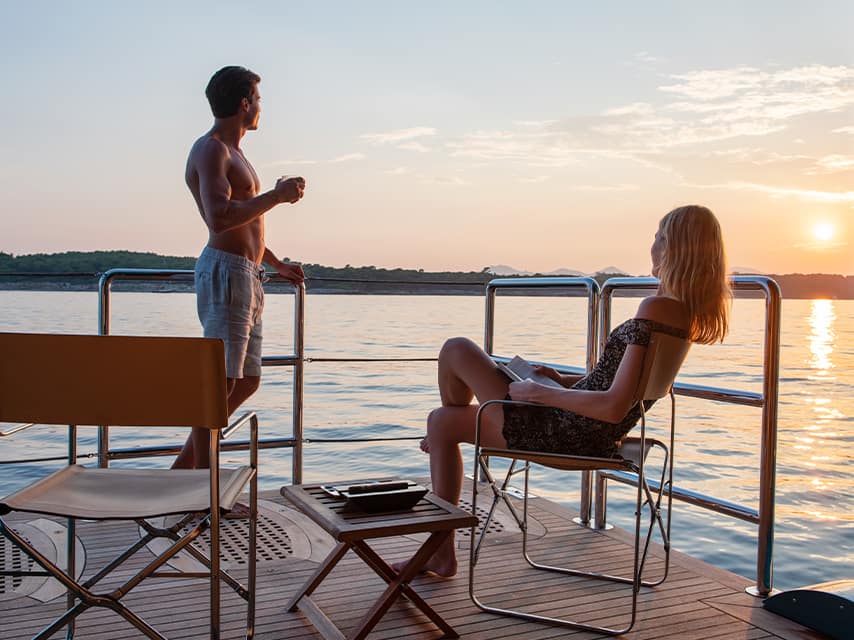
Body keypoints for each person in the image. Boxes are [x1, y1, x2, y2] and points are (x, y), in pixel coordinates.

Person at [405, 205, 731, 577]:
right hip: (581, 425)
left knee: (455, 350)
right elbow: (620, 389)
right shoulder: (680, 315)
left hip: (568, 433)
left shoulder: (655, 308)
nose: (652, 245)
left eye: (659, 237)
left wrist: (544, 394)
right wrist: (561, 381)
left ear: (675, 248)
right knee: (444, 421)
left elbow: (611, 406)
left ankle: (442, 550)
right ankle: (441, 550)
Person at [173, 65, 307, 470]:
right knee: (220, 385)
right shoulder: (212, 148)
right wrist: (278, 196)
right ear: (244, 103)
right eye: (259, 100)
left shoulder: (235, 153)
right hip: (227, 274)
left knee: (247, 380)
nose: (262, 108)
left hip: (247, 275)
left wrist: (276, 263)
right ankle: (203, 490)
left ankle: (183, 475)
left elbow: (246, 223)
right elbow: (220, 217)